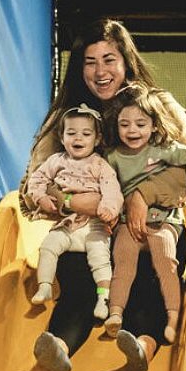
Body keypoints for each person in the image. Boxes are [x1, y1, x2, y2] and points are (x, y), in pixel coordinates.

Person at [23, 17, 186, 371]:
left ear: (126, 62)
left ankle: (143, 346)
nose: (100, 71)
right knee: (78, 274)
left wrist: (141, 194)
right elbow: (33, 190)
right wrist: (73, 201)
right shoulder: (71, 120)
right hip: (95, 228)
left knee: (148, 273)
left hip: (153, 223)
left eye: (109, 59)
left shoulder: (157, 107)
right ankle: (58, 347)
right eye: (90, 62)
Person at [103, 84, 186, 344]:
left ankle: (173, 318)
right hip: (130, 222)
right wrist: (109, 215)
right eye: (124, 124)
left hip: (163, 220)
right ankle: (115, 313)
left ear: (153, 125)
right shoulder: (113, 156)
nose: (132, 131)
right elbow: (107, 187)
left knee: (165, 261)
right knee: (123, 259)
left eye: (140, 124)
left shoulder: (164, 148)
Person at [24, 103, 123, 320]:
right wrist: (41, 197)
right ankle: (45, 286)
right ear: (61, 137)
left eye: (86, 134)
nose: (78, 138)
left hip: (94, 224)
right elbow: (37, 180)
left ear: (96, 139)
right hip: (68, 222)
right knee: (48, 246)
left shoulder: (100, 165)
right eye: (71, 133)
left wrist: (109, 209)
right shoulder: (56, 161)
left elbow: (112, 191)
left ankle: (103, 298)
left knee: (100, 259)